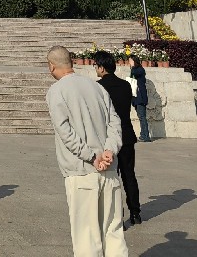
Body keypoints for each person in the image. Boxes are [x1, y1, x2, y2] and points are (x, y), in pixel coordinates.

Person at [46, 45, 128, 257]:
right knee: (114, 232)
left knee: (86, 236)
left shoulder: (57, 91)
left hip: (81, 170)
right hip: (109, 168)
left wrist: (92, 157)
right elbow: (115, 123)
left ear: (51, 66)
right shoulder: (98, 88)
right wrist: (109, 150)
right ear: (72, 62)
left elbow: (65, 132)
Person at [94, 51, 141, 227]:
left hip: (109, 138)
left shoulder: (98, 87)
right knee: (129, 175)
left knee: (111, 177)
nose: (95, 69)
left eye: (96, 66)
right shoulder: (125, 85)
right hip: (127, 135)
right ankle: (135, 212)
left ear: (102, 67)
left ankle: (116, 215)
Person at [128, 56, 151, 143]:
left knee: (142, 116)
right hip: (136, 97)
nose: (129, 62)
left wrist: (132, 66)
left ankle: (146, 136)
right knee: (141, 116)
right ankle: (143, 135)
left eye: (130, 60)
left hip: (140, 97)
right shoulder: (135, 70)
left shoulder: (140, 70)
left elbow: (134, 73)